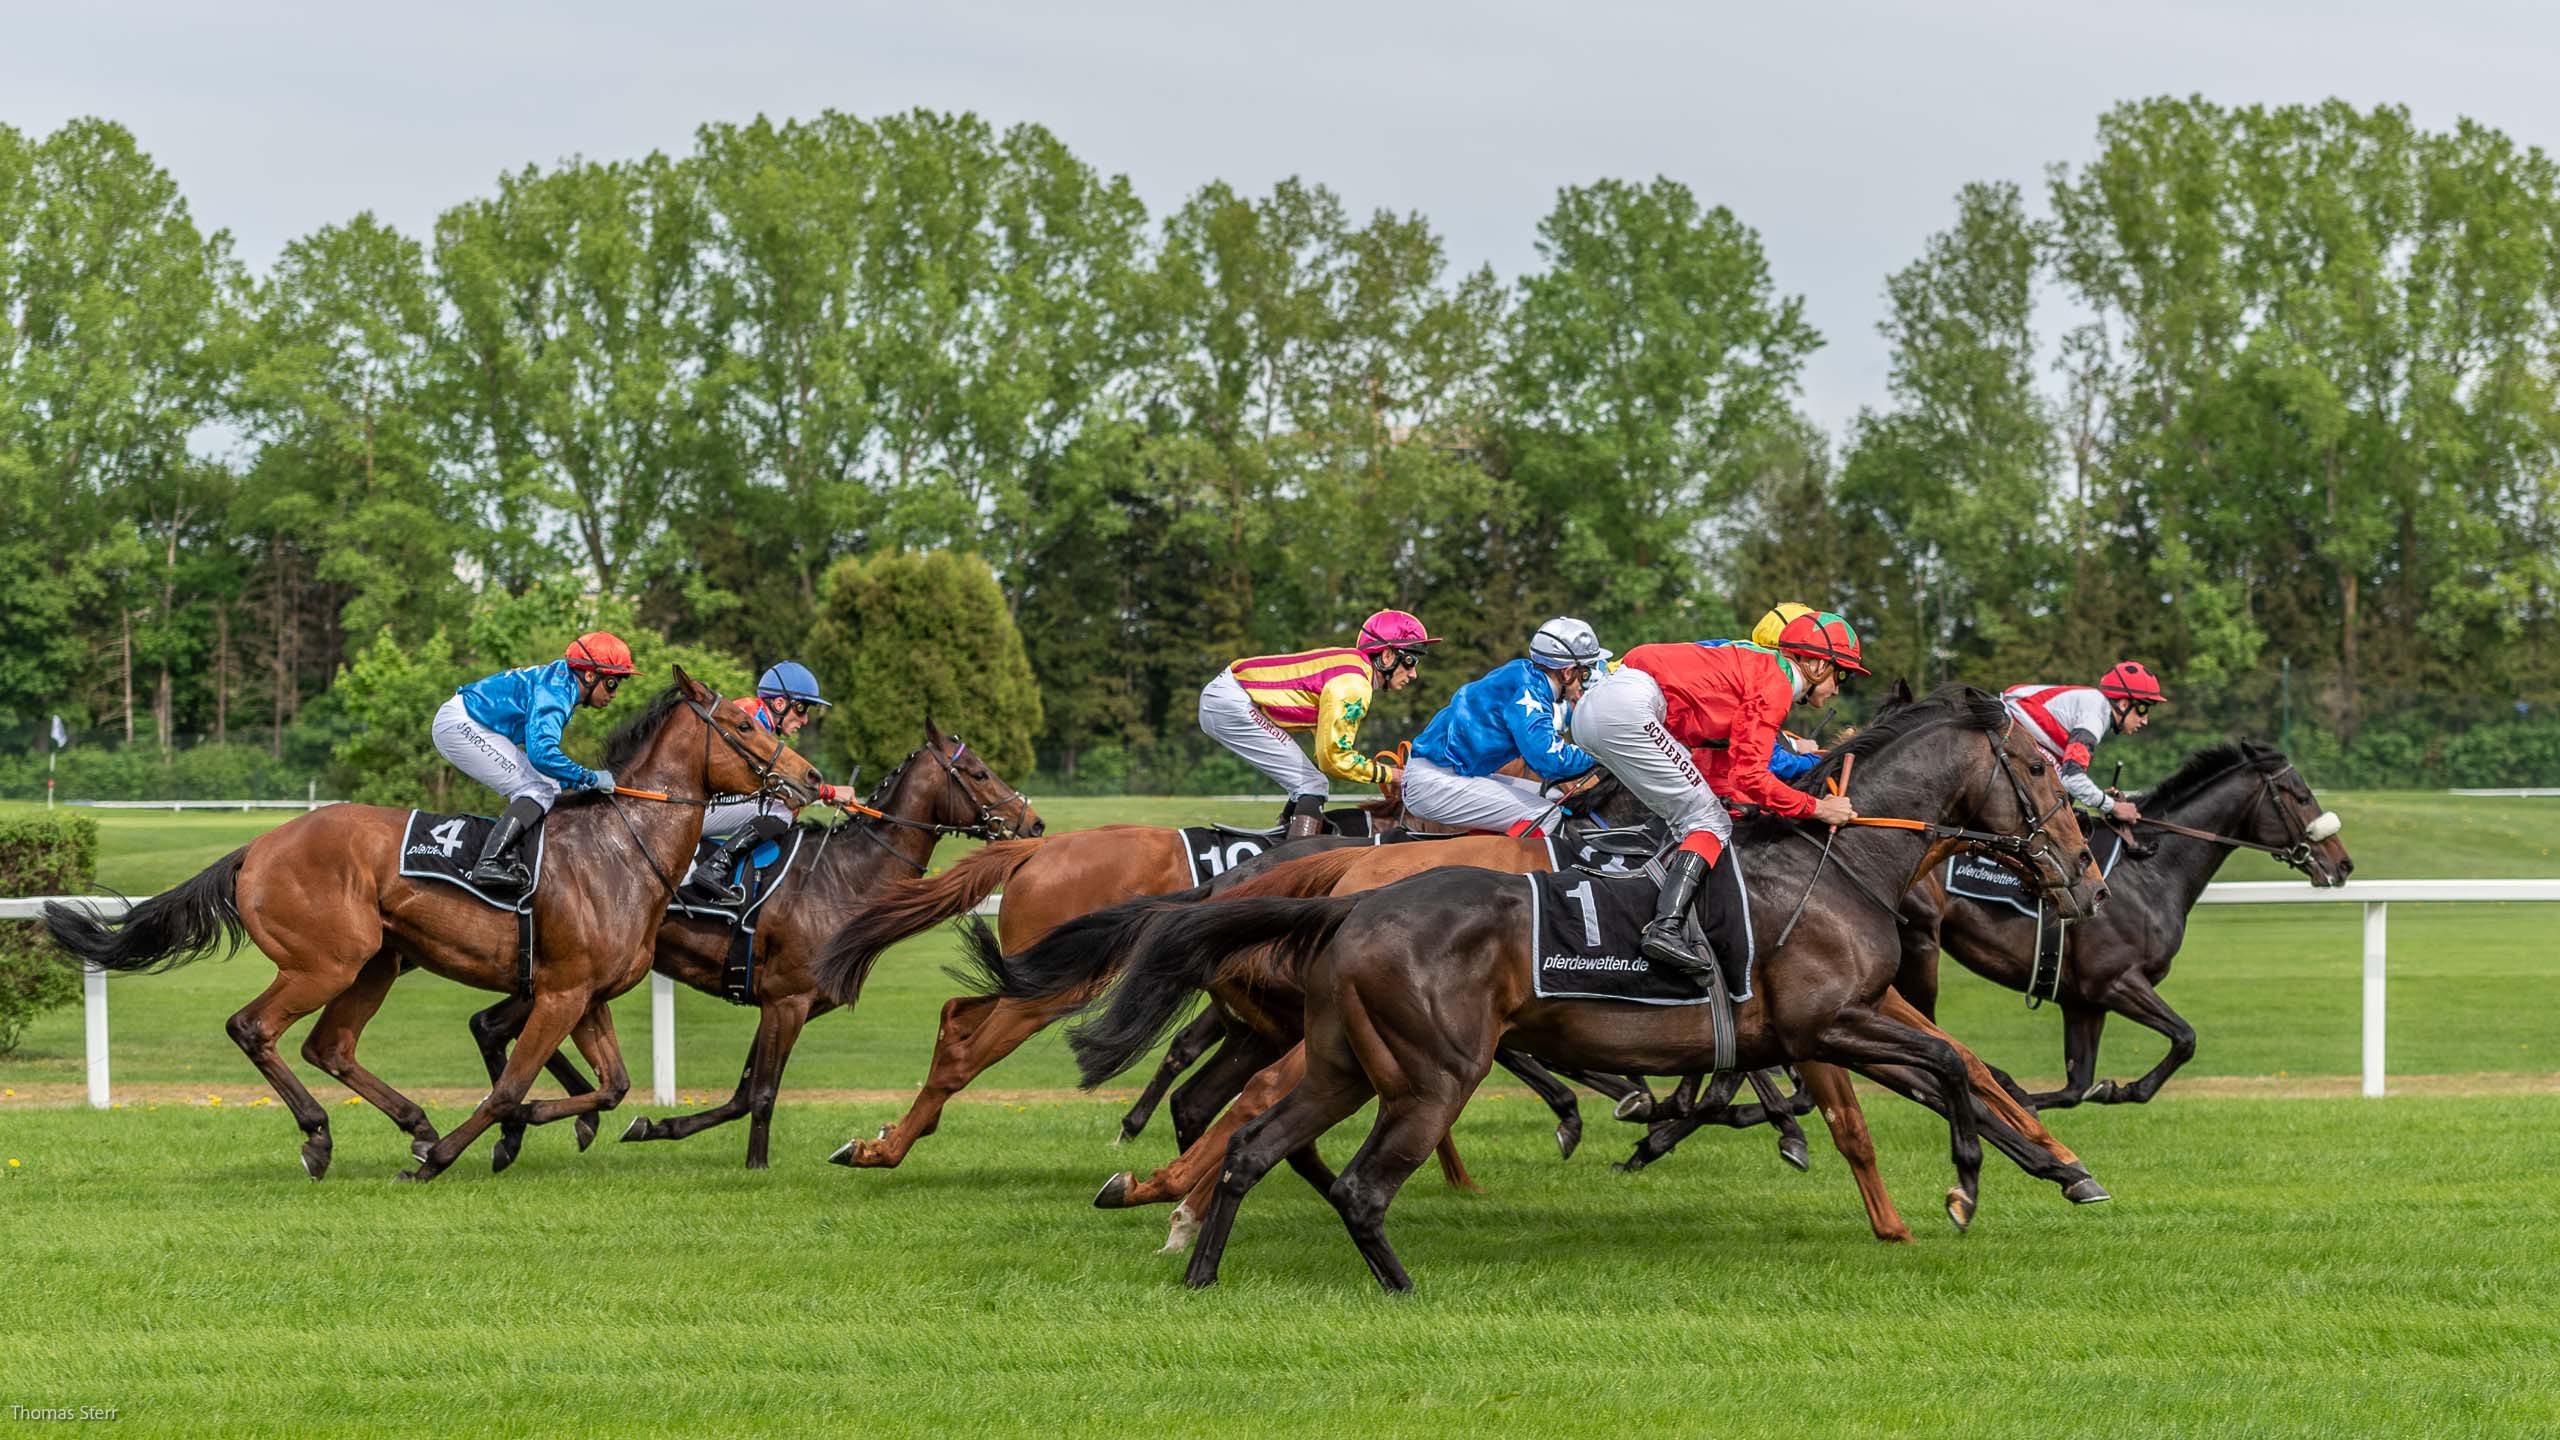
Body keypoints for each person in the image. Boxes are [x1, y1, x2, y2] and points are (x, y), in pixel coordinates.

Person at [1569, 610, 1866, 979]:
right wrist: (1818, 807)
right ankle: (1666, 928)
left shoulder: (1756, 665)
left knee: (1689, 816)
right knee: (1708, 820)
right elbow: (1754, 776)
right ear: (1816, 664)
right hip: (1628, 709)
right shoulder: (1776, 681)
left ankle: (1648, 906)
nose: (1839, 687)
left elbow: (1733, 763)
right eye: (1842, 674)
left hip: (1598, 711)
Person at [1199, 609, 1440, 839]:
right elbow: (1333, 760)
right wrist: (1392, 775)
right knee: (1312, 783)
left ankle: (1283, 840)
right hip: (1233, 703)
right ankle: (1292, 861)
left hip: (1229, 696)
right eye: (1410, 660)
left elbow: (1326, 751)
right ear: (1387, 655)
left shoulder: (1352, 668)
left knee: (1308, 782)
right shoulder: (1354, 685)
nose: (1413, 674)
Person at [432, 632, 636, 895]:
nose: (615, 693)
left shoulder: (562, 684)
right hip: (461, 724)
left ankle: (514, 855)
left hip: (475, 723)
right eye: (611, 683)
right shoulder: (555, 693)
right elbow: (541, 755)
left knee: (549, 785)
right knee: (536, 789)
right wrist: (588, 777)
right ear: (589, 675)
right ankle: (489, 862)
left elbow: (544, 763)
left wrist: (577, 781)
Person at [1400, 618, 1610, 835]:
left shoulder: (1524, 673)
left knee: (1554, 797)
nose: (1583, 684)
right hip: (1435, 783)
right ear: (1567, 672)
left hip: (1445, 775)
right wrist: (1601, 753)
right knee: (1546, 815)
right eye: (1584, 673)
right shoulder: (1529, 691)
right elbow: (1549, 760)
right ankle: (1498, 868)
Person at [690, 661, 834, 903]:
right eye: (802, 709)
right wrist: (828, 792)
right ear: (780, 703)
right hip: (697, 805)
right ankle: (716, 867)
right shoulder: (751, 717)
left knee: (786, 807)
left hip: (706, 802)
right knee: (782, 811)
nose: (806, 719)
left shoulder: (757, 717)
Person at [2001, 662, 2164, 823]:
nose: (2145, 721)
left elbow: (2069, 781)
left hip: (2016, 722)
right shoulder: (2094, 717)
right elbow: (2072, 779)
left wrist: (2100, 797)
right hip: (2010, 721)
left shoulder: (2096, 709)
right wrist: (2113, 806)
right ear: (2123, 704)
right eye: (2143, 709)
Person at [1702, 602, 1823, 784]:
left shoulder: (1737, 654)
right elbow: (1771, 762)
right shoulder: (1763, 682)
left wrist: (1794, 744)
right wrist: (1819, 762)